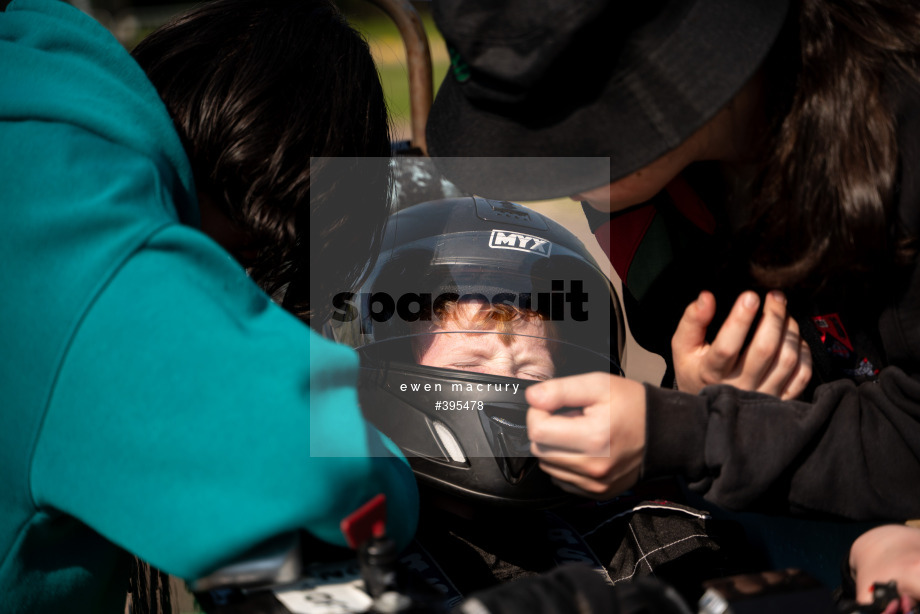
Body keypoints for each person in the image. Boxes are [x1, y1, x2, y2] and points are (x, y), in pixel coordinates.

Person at [424, 0, 920, 526]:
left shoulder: (902, 134)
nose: (542, 173)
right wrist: (704, 400)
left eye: (553, 140)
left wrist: (690, 433)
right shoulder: (641, 203)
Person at [0, 1, 417, 612]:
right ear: (269, 223)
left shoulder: (36, 99)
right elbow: (318, 472)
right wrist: (393, 473)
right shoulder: (97, 261)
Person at [328, 197, 756, 605]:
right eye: (472, 366)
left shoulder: (650, 541)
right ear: (384, 366)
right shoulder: (352, 565)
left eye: (532, 373)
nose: (506, 384)